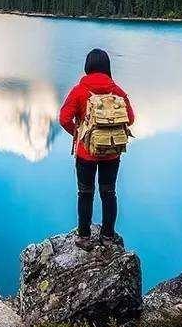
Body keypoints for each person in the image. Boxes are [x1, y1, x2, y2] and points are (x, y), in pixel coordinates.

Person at [58, 48, 135, 249]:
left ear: (87, 67)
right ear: (107, 67)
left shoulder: (79, 90)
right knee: (108, 193)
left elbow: (64, 118)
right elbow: (131, 118)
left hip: (86, 153)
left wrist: (79, 134)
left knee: (85, 193)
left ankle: (84, 236)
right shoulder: (117, 91)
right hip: (112, 152)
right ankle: (108, 236)